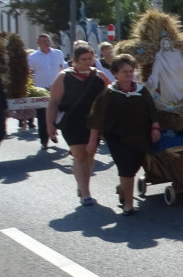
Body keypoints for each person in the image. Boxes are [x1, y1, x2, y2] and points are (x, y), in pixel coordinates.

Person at [87, 54, 161, 215]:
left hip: (140, 135)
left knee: (135, 166)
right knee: (126, 167)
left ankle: (123, 187)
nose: (128, 74)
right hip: (117, 137)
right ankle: (128, 203)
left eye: (130, 71)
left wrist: (155, 127)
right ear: (115, 74)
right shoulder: (108, 93)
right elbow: (97, 118)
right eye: (124, 72)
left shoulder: (142, 90)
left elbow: (151, 110)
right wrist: (93, 141)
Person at [46, 42, 107, 206]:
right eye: (83, 59)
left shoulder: (99, 76)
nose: (87, 62)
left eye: (90, 58)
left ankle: (83, 185)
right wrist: (50, 124)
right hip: (72, 122)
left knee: (91, 153)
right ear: (74, 60)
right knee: (79, 154)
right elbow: (53, 102)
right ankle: (85, 194)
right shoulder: (64, 77)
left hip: (93, 122)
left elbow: (110, 97)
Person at [27, 33, 66, 148]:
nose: (46, 43)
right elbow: (29, 73)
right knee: (43, 116)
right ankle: (44, 140)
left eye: (47, 40)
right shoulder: (32, 57)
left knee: (60, 113)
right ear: (38, 43)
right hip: (41, 89)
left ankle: (54, 132)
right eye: (43, 41)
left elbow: (62, 68)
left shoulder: (58, 53)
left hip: (56, 87)